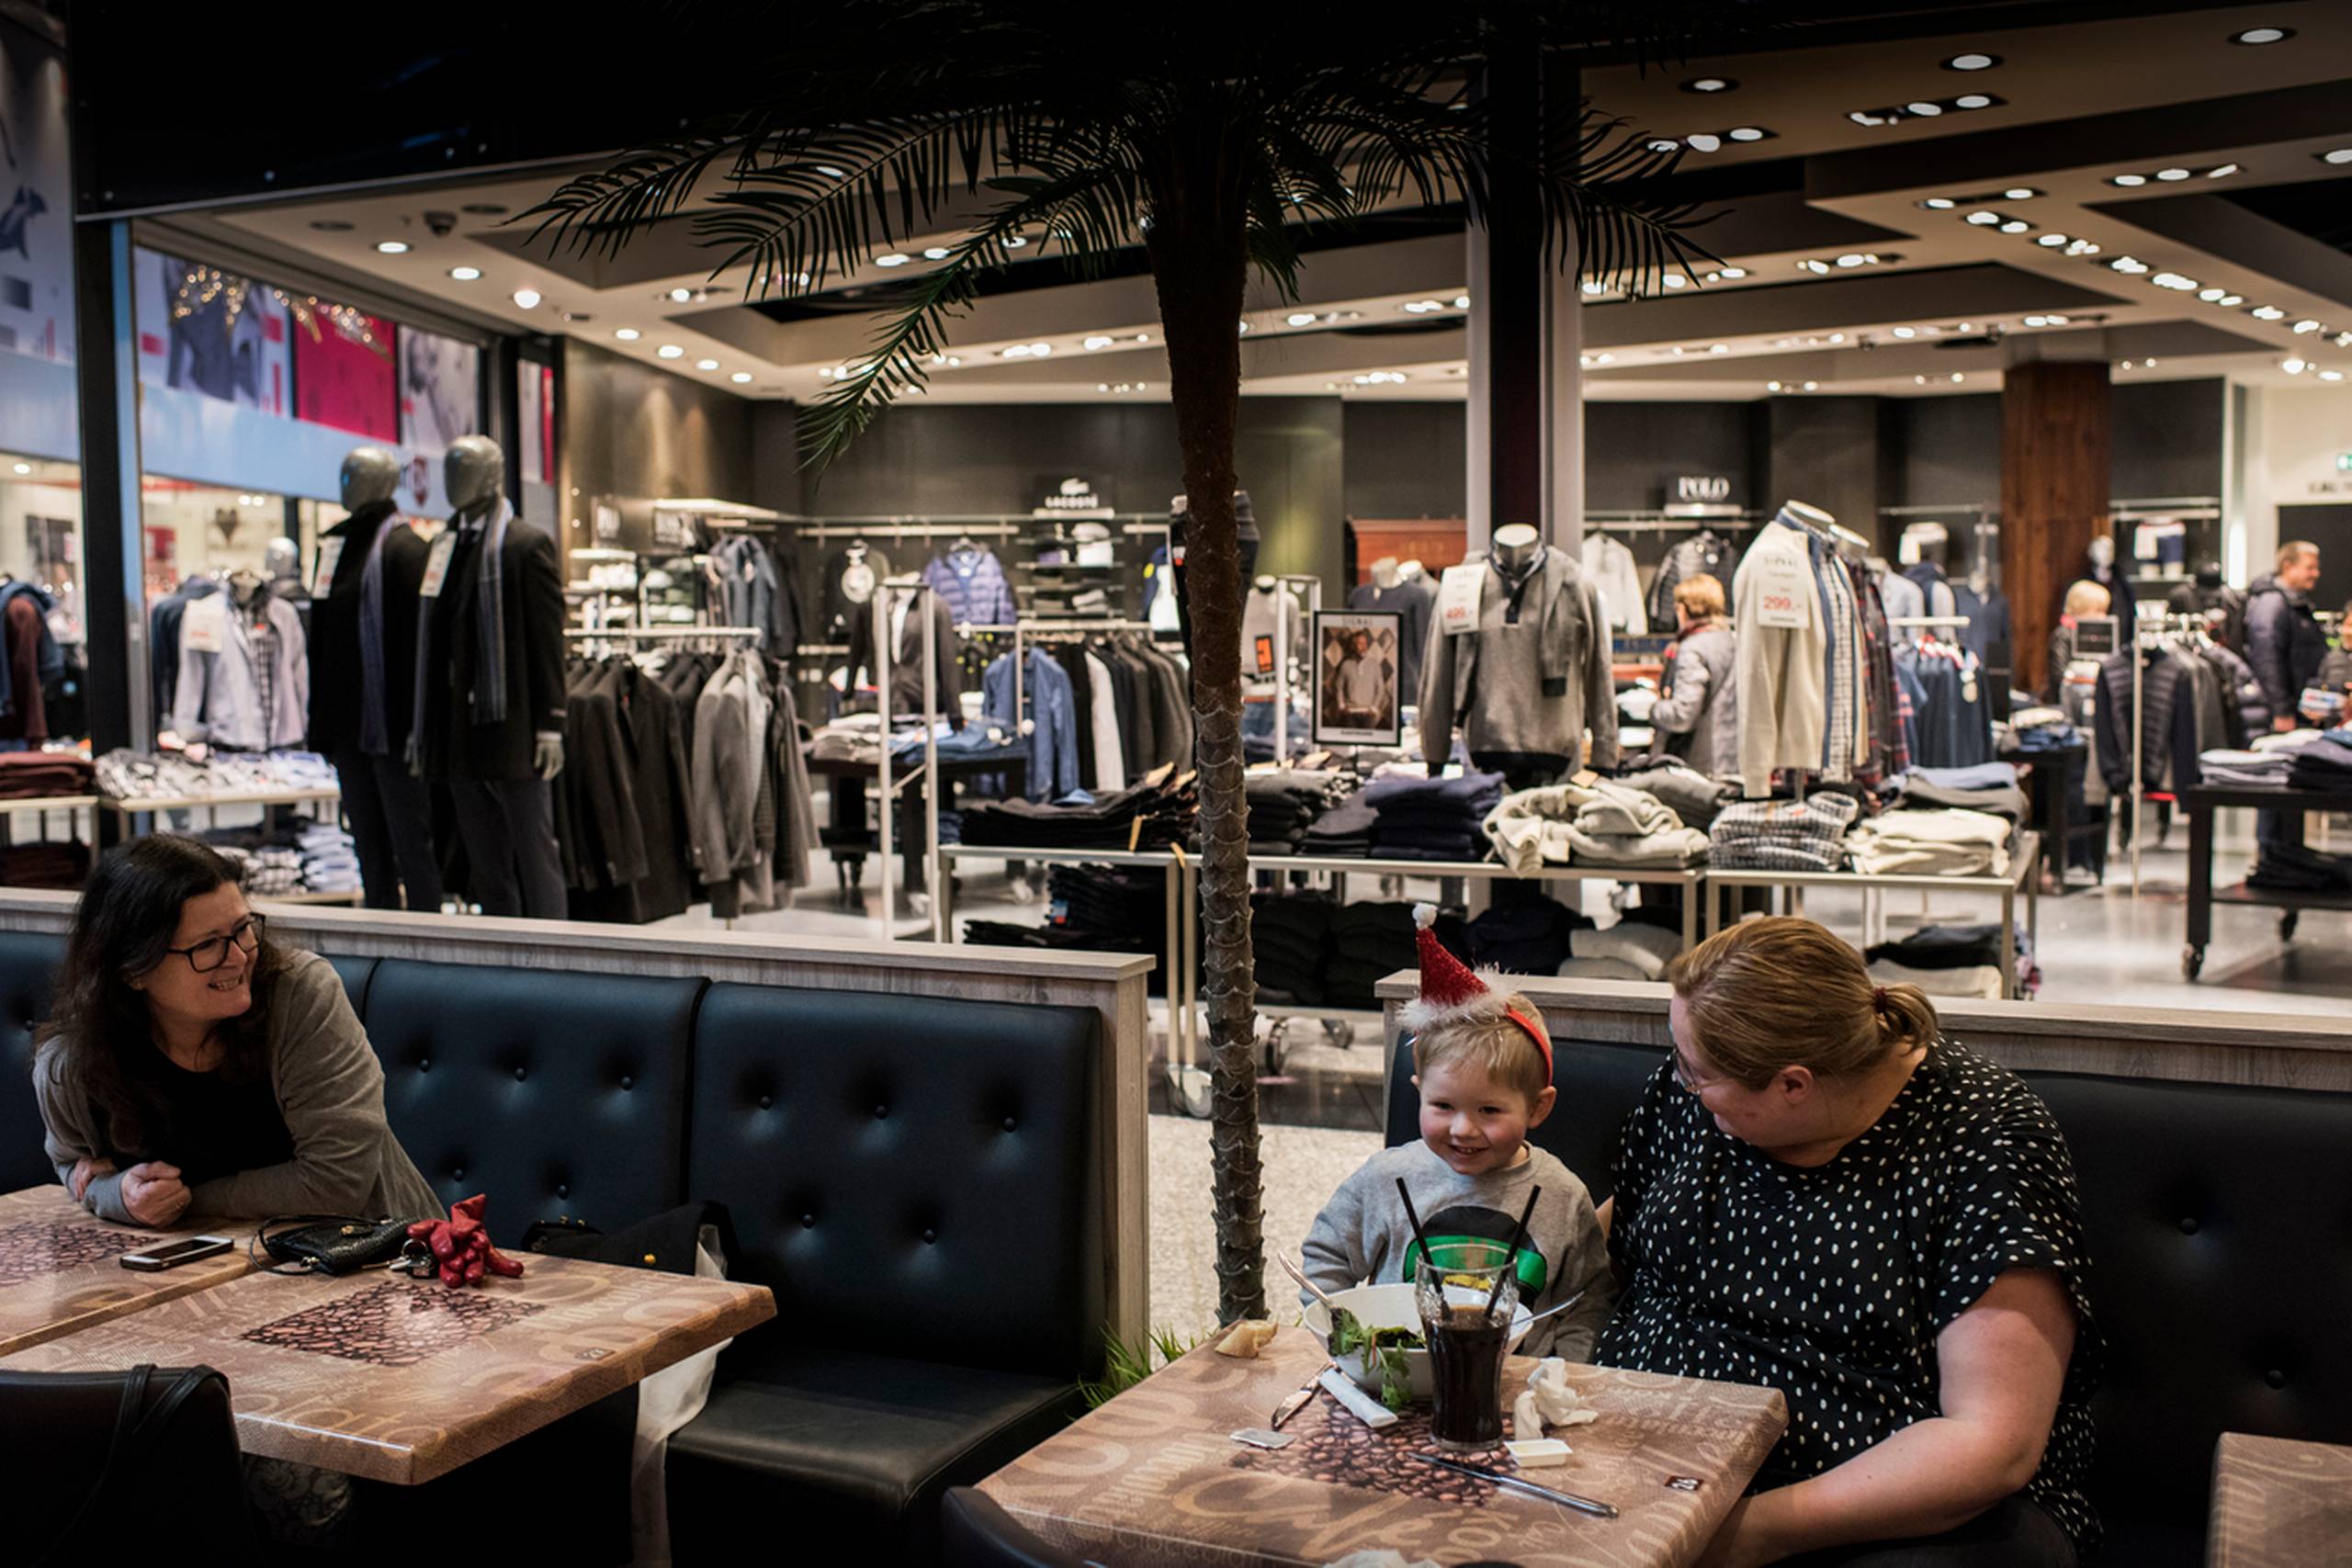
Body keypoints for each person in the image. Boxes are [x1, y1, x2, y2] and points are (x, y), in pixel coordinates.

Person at [1599, 918, 2098, 1568]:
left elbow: (1992, 1442)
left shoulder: (1984, 1139)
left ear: (1794, 1084)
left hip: (1874, 1512)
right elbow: (1623, 1233)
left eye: (1700, 1077)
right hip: (1651, 1464)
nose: (1684, 1084)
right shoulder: (1695, 1089)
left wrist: (1746, 1532)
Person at [34, 835, 439, 1226]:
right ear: (133, 970)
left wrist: (182, 1199)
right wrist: (117, 1194)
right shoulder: (73, 1065)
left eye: (243, 929)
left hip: (380, 1256)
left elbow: (336, 1183)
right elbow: (75, 1165)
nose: (239, 956)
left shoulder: (299, 996)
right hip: (200, 1270)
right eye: (207, 945)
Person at [1301, 906, 1614, 1359]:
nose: (1464, 1128)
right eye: (1443, 1106)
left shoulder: (1562, 1195)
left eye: (1489, 1110)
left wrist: (1566, 1369)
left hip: (1516, 1387)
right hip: (1396, 1379)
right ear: (1418, 1094)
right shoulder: (1385, 1179)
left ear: (1538, 1106)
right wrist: (1345, 1338)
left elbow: (1586, 1299)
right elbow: (1326, 1257)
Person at [1649, 573, 1737, 780]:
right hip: (1733, 758)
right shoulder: (1734, 641)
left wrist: (1652, 709)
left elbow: (1683, 715)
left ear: (1685, 609)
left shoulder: (1692, 649)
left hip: (1699, 764)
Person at [2245, 540, 2326, 733]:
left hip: (2297, 707)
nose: (2316, 574)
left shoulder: (2293, 601)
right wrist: (2281, 710)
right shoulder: (2271, 603)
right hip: (2280, 713)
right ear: (2288, 566)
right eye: (2310, 568)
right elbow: (2266, 659)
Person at [2044, 579, 2109, 700]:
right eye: (2098, 610)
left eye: (2105, 611)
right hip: (2065, 703)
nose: (2103, 617)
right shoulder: (2063, 635)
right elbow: (2059, 675)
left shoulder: (2098, 637)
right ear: (2081, 607)